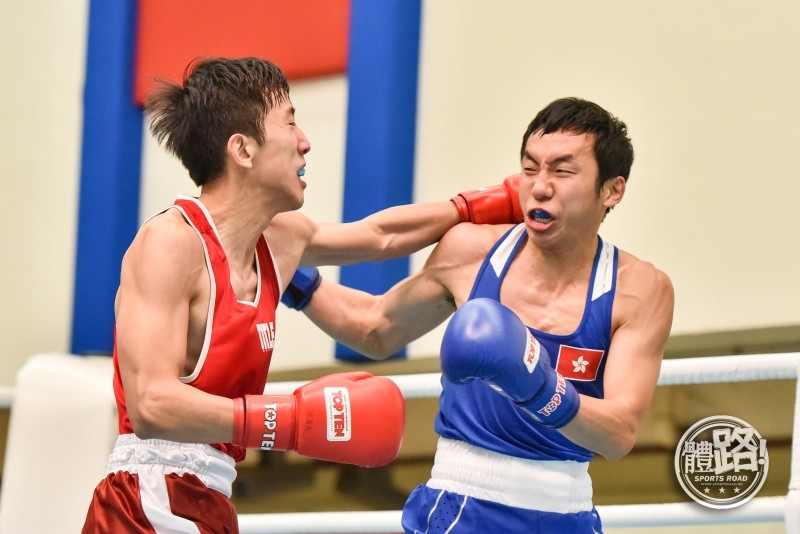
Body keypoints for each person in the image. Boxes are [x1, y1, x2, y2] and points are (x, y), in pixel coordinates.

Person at [81, 56, 523, 533]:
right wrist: (289, 421)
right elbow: (152, 406)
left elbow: (379, 237)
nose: (305, 141)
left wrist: (484, 204)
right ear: (243, 150)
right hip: (144, 497)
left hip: (209, 494)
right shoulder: (170, 243)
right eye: (290, 122)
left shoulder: (278, 238)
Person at [284, 97, 675, 533]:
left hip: (570, 515)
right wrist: (295, 280)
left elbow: (619, 434)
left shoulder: (639, 290)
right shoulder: (472, 251)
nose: (540, 187)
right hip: (463, 503)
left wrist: (539, 388)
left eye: (562, 171)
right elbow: (376, 329)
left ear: (612, 189)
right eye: (530, 169)